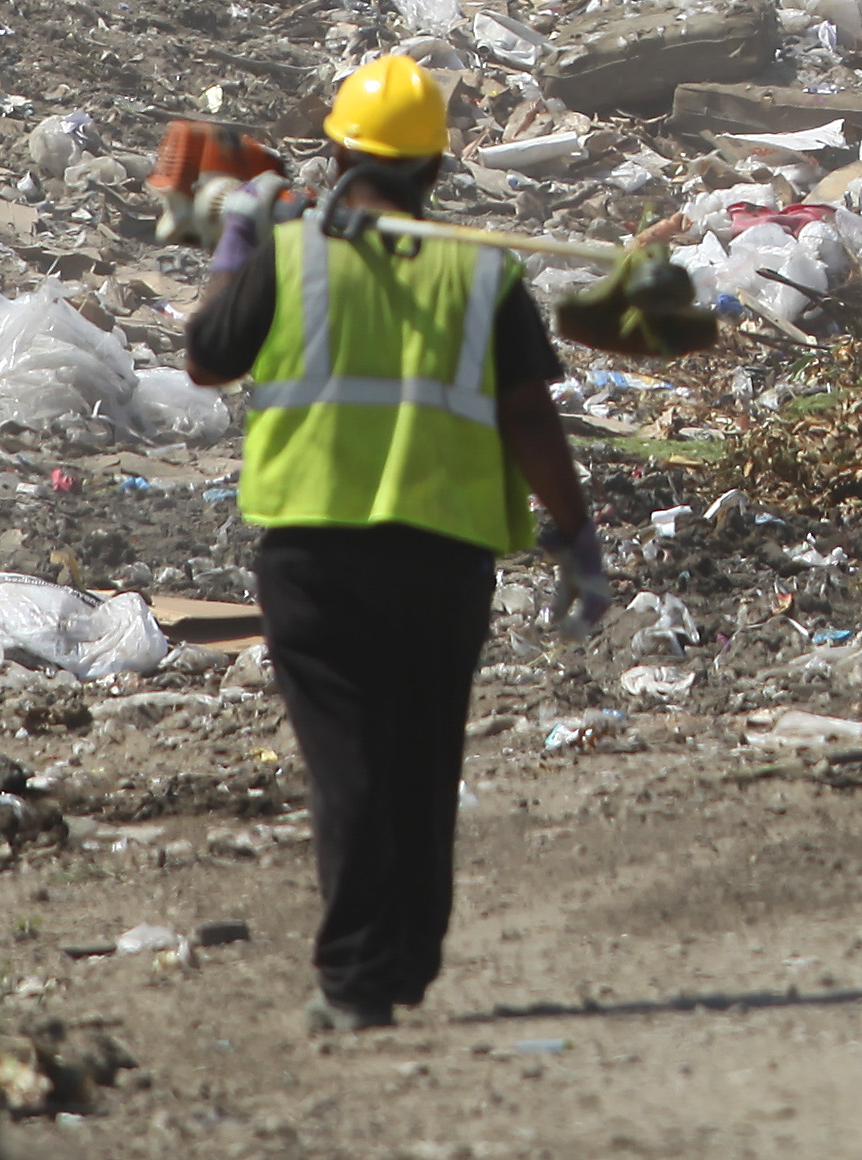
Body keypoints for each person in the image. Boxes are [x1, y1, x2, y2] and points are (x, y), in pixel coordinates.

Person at [182, 55, 615, 1033]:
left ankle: (357, 978)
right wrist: (576, 537)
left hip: (316, 551)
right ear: (437, 169)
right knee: (423, 755)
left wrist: (235, 249)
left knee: (350, 764)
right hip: (444, 557)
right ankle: (406, 954)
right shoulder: (481, 269)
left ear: (336, 151)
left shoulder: (287, 254)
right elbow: (529, 418)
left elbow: (207, 359)